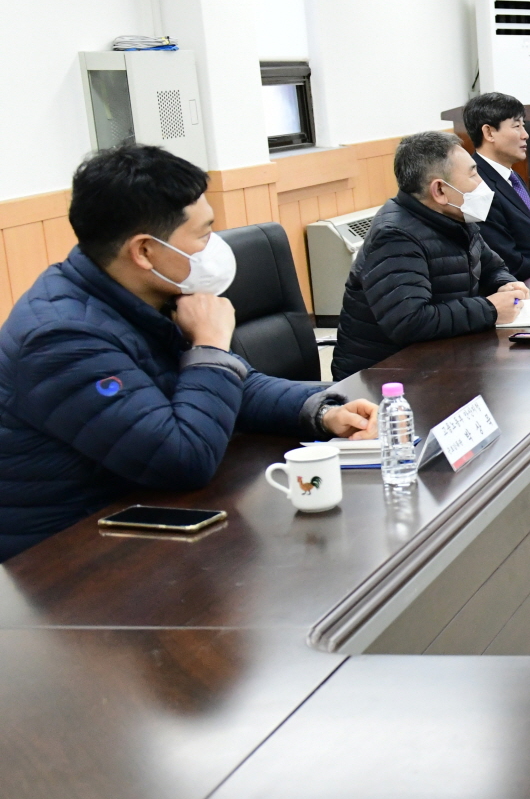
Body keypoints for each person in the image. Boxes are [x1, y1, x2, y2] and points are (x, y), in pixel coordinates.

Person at [0, 145, 378, 561]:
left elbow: (234, 385)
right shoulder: (62, 338)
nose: (213, 247)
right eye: (202, 235)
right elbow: (180, 458)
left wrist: (320, 411)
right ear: (144, 251)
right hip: (69, 557)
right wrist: (211, 345)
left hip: (145, 516)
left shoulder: (143, 293)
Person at [333, 131, 530, 380]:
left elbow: (492, 266)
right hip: (385, 379)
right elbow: (410, 321)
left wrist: (505, 284)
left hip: (440, 360)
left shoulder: (454, 216)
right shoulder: (395, 237)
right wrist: (490, 309)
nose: (483, 183)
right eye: (472, 174)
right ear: (439, 190)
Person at [464, 91, 530, 280]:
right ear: (489, 132)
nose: (525, 135)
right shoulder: (478, 187)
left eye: (523, 126)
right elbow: (507, 262)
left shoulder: (511, 176)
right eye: (516, 126)